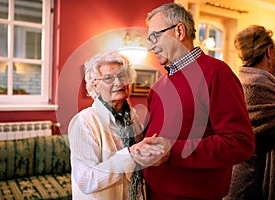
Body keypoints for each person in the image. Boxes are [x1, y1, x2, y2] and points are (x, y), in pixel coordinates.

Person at [132, 3, 256, 200]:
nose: (150, 46)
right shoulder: (158, 87)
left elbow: (240, 143)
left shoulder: (217, 74)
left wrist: (172, 151)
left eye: (154, 37)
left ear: (179, 31)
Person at [68, 51, 168, 200]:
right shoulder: (83, 122)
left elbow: (140, 161)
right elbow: (86, 180)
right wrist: (130, 155)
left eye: (122, 76)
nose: (118, 83)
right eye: (109, 78)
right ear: (95, 84)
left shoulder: (132, 117)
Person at [224, 25, 275, 200]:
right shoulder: (258, 84)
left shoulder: (244, 79)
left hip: (241, 176)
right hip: (251, 181)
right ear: (269, 52)